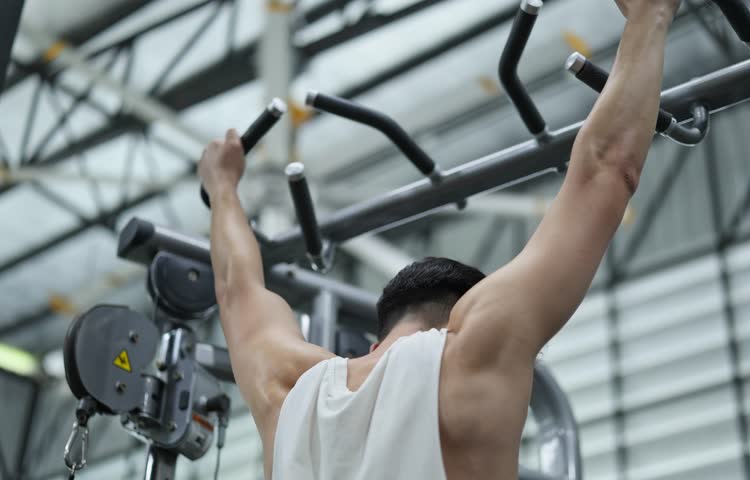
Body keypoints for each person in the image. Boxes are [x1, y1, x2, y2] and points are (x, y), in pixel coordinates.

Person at [197, 0, 681, 478]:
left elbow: (235, 289)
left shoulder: (288, 388)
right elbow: (605, 168)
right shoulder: (472, 352)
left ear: (375, 344)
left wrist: (222, 186)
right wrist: (650, 16)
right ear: (460, 318)